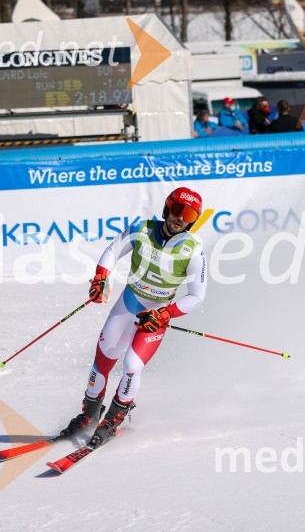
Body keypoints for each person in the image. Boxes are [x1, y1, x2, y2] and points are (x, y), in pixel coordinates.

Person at [60, 187, 207, 447]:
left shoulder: (193, 249)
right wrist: (101, 278)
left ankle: (113, 420)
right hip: (130, 301)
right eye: (177, 210)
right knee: (103, 359)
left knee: (131, 366)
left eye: (189, 214)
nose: (180, 218)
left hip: (155, 314)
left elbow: (197, 296)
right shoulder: (143, 229)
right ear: (166, 208)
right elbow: (112, 251)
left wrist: (165, 313)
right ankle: (89, 415)